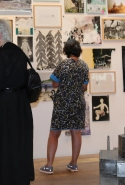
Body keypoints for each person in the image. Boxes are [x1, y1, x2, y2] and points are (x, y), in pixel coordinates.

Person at [0, 19, 34, 185]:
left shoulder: (1, 54)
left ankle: (2, 179)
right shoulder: (18, 51)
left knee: (2, 145)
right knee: (18, 144)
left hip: (4, 107)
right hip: (20, 105)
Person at [39, 39, 89, 174]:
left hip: (63, 103)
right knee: (76, 132)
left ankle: (49, 166)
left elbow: (54, 84)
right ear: (79, 51)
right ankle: (74, 164)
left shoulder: (63, 64)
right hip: (78, 102)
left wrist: (66, 84)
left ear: (66, 51)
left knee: (54, 133)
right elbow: (84, 87)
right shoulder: (84, 65)